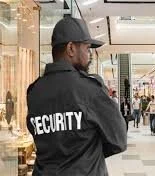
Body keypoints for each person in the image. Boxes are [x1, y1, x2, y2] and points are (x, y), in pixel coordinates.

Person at [26, 17, 127, 176]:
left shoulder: (34, 91)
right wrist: (87, 155)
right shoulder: (90, 89)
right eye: (87, 49)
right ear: (71, 48)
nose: (90, 55)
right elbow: (118, 140)